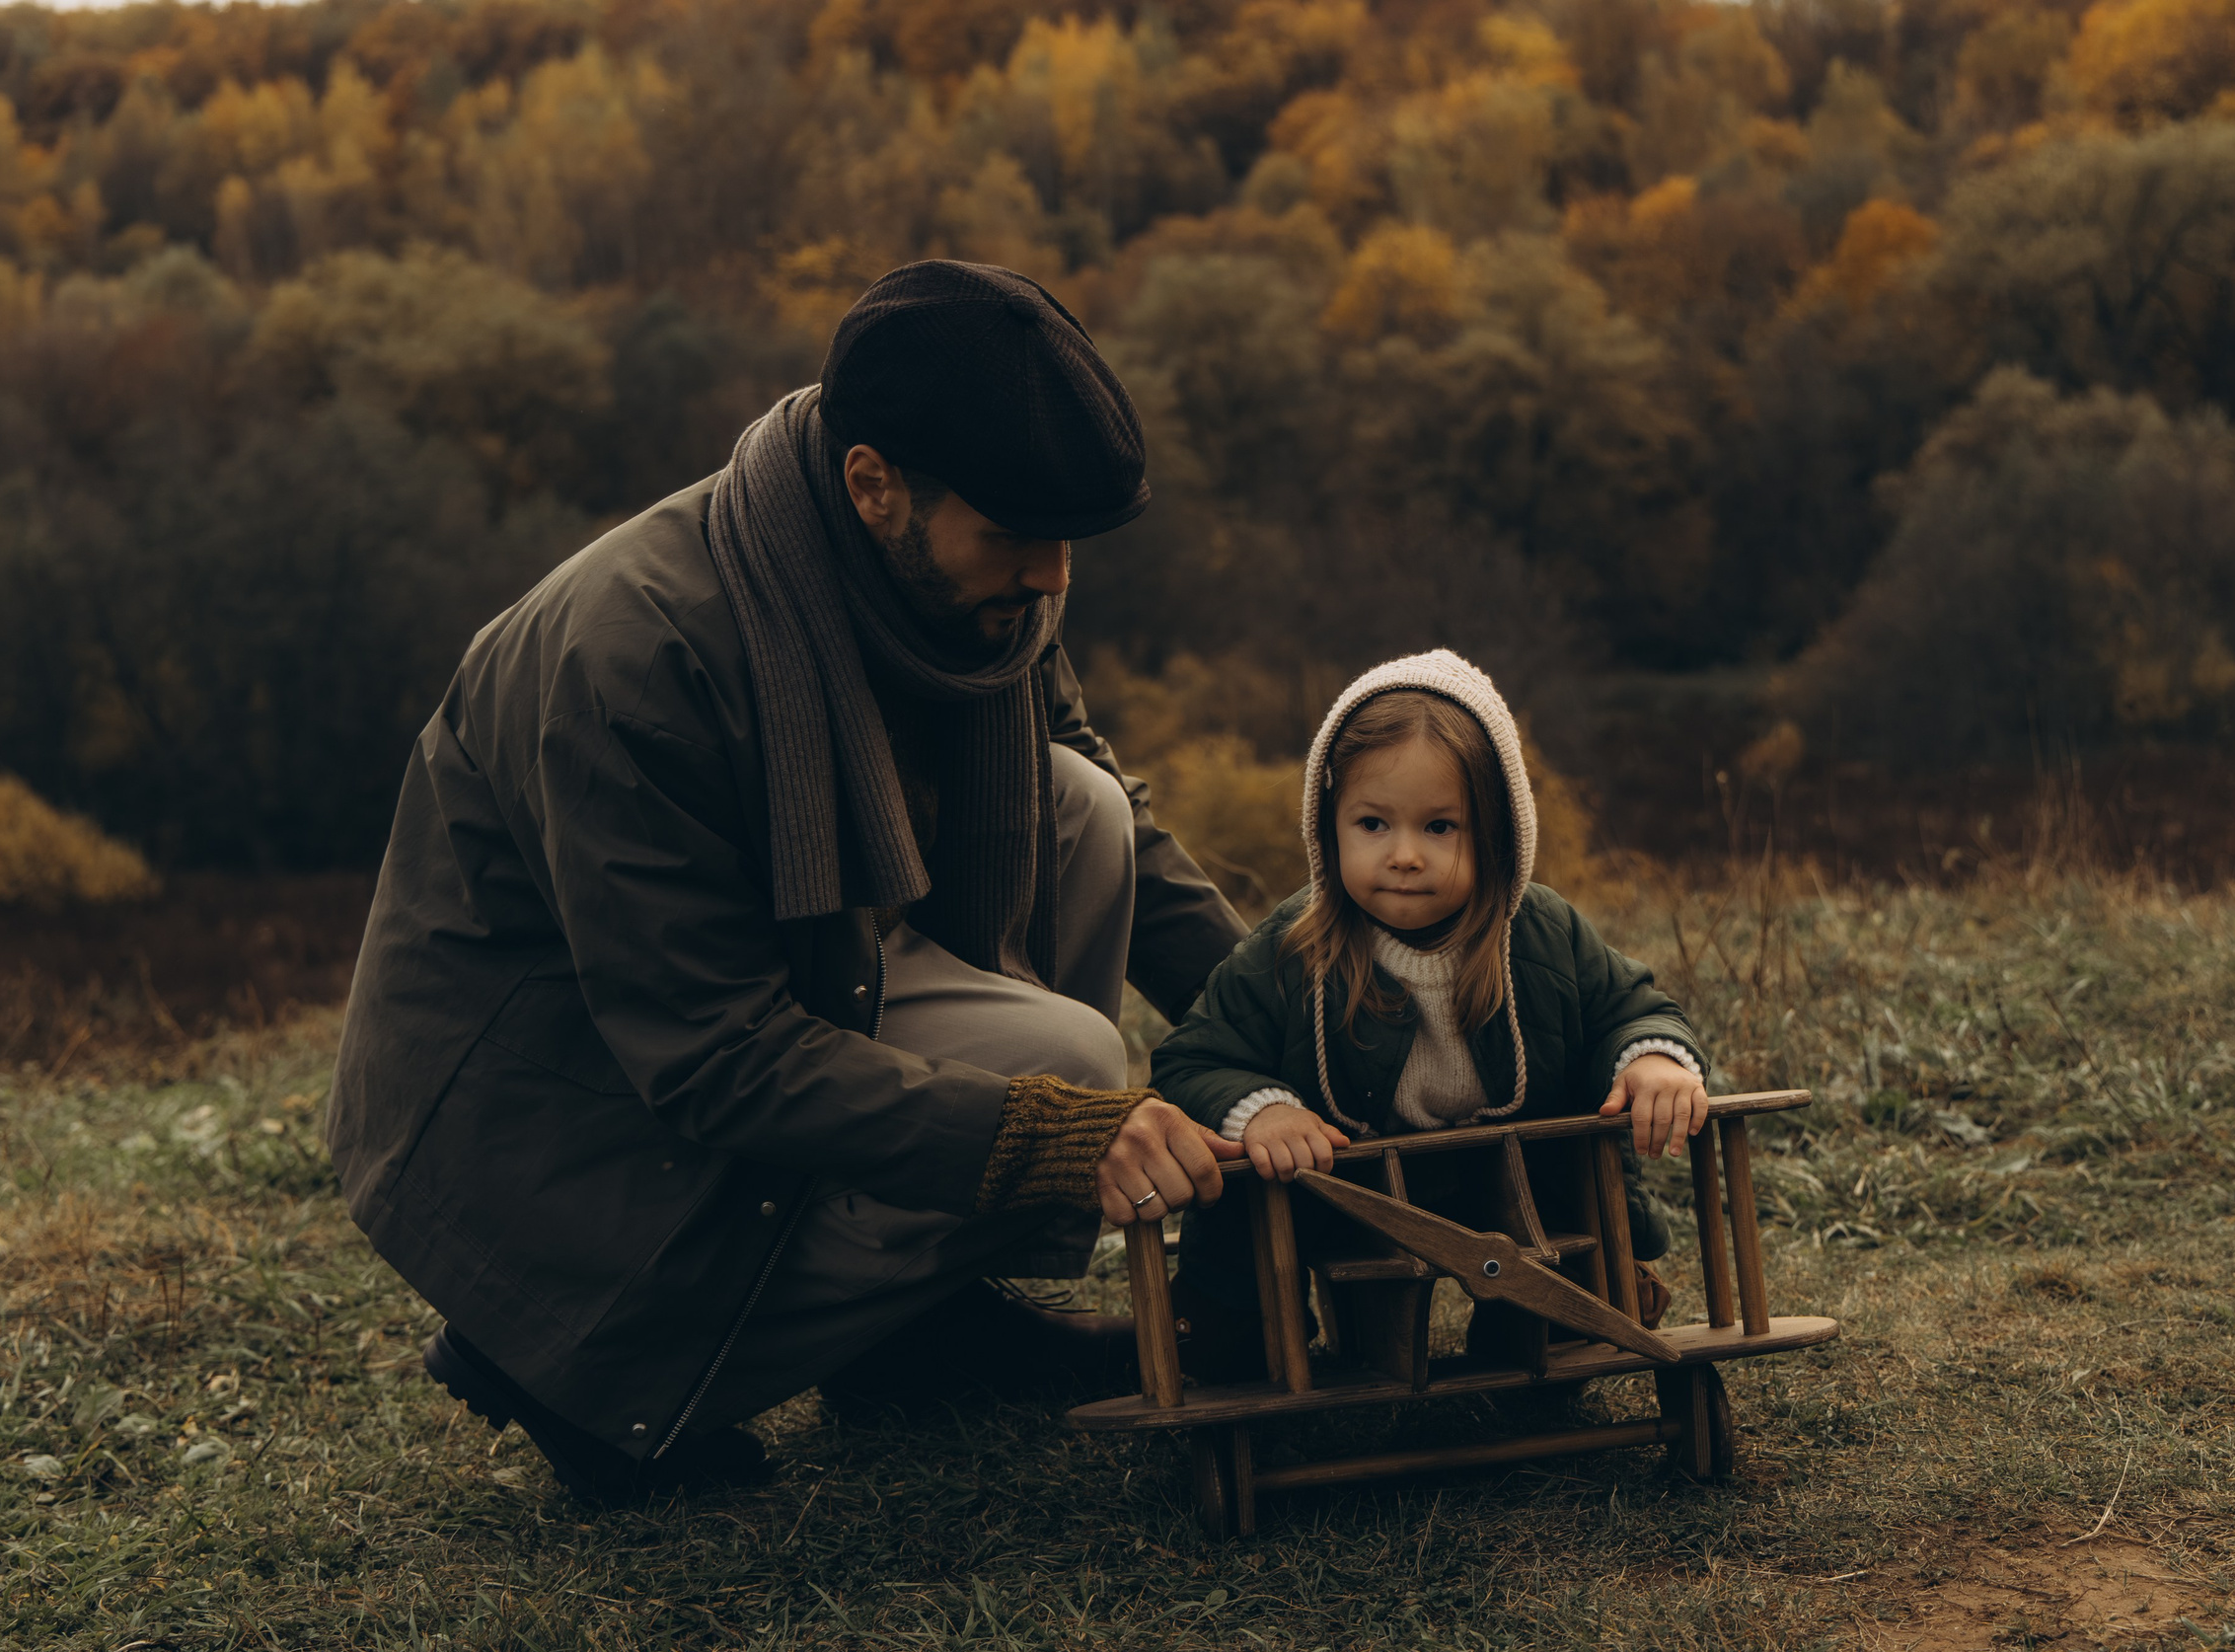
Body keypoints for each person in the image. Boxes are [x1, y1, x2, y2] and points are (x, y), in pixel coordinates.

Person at [325, 262, 1250, 1505]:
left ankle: (907, 1330)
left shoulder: (970, 585)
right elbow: (709, 1052)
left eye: (1065, 541)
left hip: (807, 968)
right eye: (1017, 538)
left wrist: (1290, 1019)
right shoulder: (637, 657)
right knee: (1067, 1073)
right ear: (874, 485)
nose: (1053, 578)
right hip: (559, 1109)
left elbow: (1102, 801)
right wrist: (1045, 1139)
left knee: (1069, 808)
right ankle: (571, 1365)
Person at [1148, 650, 1710, 1381]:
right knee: (1246, 1249)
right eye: (1374, 823)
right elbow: (1194, 1056)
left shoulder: (1538, 932)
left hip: (1513, 1175)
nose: (1405, 855)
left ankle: (1558, 1321)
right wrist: (1262, 1111)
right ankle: (1237, 1335)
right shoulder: (1294, 945)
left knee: (1569, 1277)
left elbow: (1627, 1003)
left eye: (1440, 826)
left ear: (1498, 832)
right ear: (1329, 826)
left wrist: (1652, 1056)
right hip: (1344, 1187)